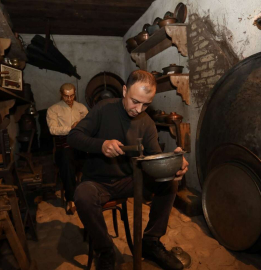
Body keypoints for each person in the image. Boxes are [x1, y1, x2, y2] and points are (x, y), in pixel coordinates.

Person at [68, 70, 189, 270]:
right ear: (124, 90)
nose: (139, 109)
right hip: (98, 182)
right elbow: (73, 137)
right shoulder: (103, 109)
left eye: (146, 104)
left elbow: (154, 159)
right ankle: (105, 250)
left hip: (131, 180)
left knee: (169, 184)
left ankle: (150, 242)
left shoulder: (147, 122)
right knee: (82, 195)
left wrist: (174, 163)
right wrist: (101, 145)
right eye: (135, 101)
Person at [47, 83, 88, 215]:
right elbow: (53, 130)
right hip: (63, 147)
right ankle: (71, 199)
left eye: (71, 96)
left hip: (79, 146)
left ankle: (90, 194)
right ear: (61, 94)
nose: (69, 99)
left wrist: (82, 127)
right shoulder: (53, 109)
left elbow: (89, 125)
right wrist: (71, 128)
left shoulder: (81, 108)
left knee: (95, 157)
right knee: (66, 160)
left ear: (75, 94)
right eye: (66, 96)